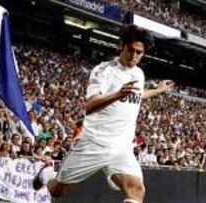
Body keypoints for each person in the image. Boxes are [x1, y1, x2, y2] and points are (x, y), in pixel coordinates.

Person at [33, 25, 174, 203]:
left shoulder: (139, 74)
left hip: (122, 146)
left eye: (139, 52)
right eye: (131, 50)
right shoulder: (104, 71)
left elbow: (136, 95)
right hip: (94, 143)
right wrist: (117, 95)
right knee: (57, 191)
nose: (134, 56)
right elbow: (90, 106)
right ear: (121, 46)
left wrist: (157, 90)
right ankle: (46, 174)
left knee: (137, 192)